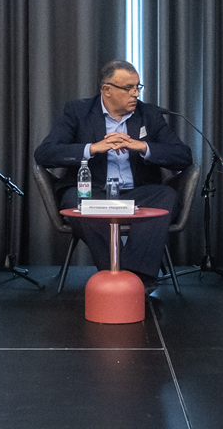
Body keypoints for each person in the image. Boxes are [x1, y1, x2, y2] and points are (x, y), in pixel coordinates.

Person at [34, 59, 192, 293]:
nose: (135, 93)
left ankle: (133, 277)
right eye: (128, 88)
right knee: (76, 202)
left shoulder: (149, 114)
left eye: (138, 87)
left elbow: (183, 156)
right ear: (106, 90)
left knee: (166, 196)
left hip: (137, 192)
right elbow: (45, 153)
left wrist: (142, 147)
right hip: (92, 191)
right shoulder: (78, 112)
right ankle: (124, 277)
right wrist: (92, 148)